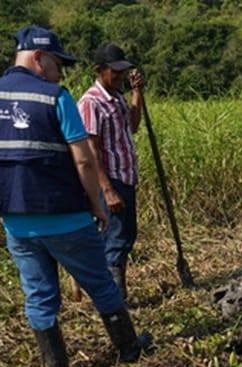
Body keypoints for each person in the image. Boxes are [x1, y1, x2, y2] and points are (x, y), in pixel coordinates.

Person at [0, 25, 152, 367]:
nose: (61, 71)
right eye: (58, 63)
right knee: (101, 284)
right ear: (38, 57)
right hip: (65, 217)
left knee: (39, 295)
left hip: (17, 223)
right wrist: (97, 204)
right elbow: (84, 160)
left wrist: (1, 204)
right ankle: (129, 349)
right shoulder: (55, 97)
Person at [77, 44, 144, 299]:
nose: (120, 77)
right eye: (115, 73)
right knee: (115, 239)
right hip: (110, 181)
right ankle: (113, 298)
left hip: (126, 177)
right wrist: (107, 189)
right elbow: (91, 151)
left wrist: (137, 92)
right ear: (99, 70)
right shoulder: (90, 103)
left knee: (127, 235)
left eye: (123, 73)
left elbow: (134, 125)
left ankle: (114, 293)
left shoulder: (118, 97)